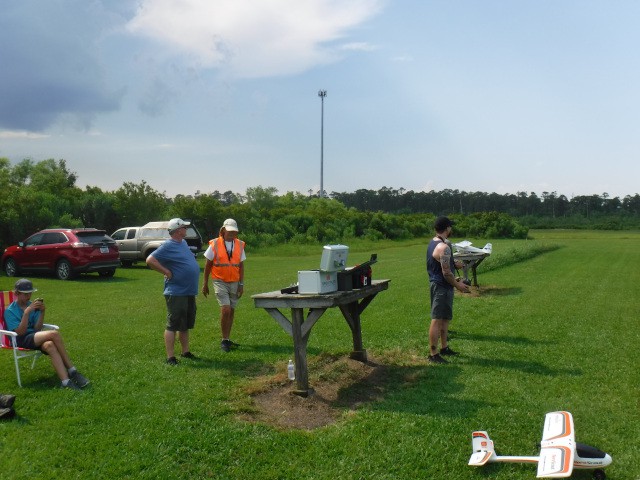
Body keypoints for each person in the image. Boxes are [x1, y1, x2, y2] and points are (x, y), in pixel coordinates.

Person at [3, 279, 90, 389]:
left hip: (34, 337)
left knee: (49, 345)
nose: (29, 296)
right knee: (54, 334)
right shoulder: (10, 311)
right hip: (19, 339)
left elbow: (37, 328)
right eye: (25, 294)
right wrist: (26, 313)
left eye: (30, 293)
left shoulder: (32, 306)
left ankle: (65, 382)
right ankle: (72, 371)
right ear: (17, 293)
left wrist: (42, 312)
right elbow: (20, 332)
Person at [146, 218, 201, 365]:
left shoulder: (183, 243)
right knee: (173, 324)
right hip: (176, 291)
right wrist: (166, 271)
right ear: (177, 230)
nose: (186, 229)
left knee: (185, 323)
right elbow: (150, 260)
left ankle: (185, 352)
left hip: (188, 290)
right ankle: (170, 357)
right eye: (184, 227)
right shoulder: (168, 245)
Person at [426, 216, 470, 364]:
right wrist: (459, 285)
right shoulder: (444, 247)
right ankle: (433, 354)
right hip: (441, 287)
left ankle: (444, 347)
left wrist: (454, 263)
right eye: (450, 226)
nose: (451, 229)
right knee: (437, 319)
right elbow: (446, 273)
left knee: (445, 318)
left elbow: (440, 261)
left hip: (443, 286)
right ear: (447, 228)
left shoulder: (434, 242)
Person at [201, 218, 246, 352]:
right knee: (225, 309)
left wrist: (241, 284)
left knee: (231, 310)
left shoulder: (239, 244)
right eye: (229, 231)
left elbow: (241, 266)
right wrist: (205, 283)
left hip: (235, 282)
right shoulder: (215, 244)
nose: (232, 234)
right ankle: (224, 339)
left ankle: (227, 339)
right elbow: (208, 264)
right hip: (219, 280)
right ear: (223, 230)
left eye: (234, 231)